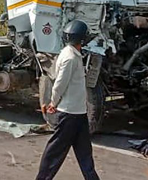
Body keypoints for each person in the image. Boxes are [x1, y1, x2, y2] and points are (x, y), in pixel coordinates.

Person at [36, 20, 100, 180]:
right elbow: (59, 84)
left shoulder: (72, 54)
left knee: (85, 154)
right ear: (82, 40)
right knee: (54, 153)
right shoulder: (70, 58)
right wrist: (53, 103)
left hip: (79, 114)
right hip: (68, 115)